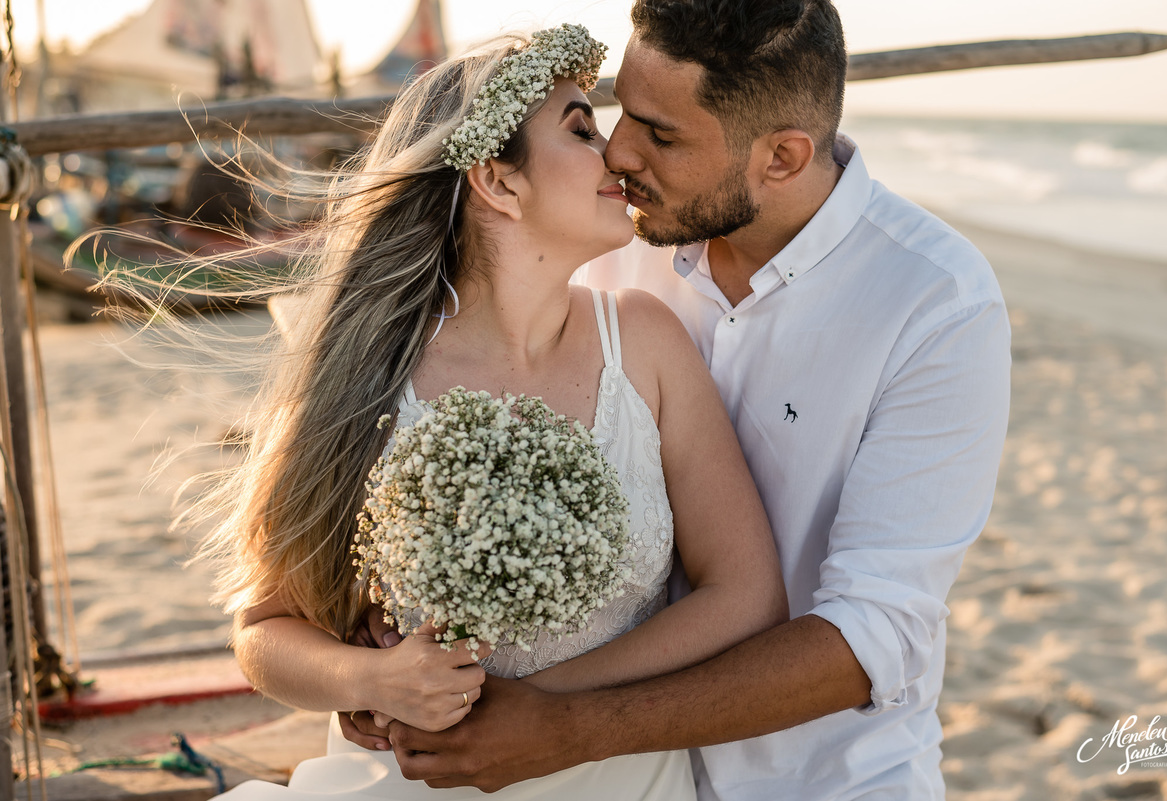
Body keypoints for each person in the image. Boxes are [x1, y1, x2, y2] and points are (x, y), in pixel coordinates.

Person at [353, 2, 1012, 799]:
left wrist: (565, 725)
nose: (620, 150)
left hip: (820, 778)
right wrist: (386, 648)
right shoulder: (607, 248)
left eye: (661, 134)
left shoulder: (935, 302)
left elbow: (873, 633)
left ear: (781, 158)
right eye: (617, 109)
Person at [199, 23, 788, 801]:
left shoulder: (644, 340)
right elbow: (264, 631)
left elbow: (748, 593)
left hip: (622, 778)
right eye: (582, 129)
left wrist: (544, 705)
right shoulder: (373, 371)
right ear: (498, 182)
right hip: (416, 778)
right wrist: (376, 678)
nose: (615, 153)